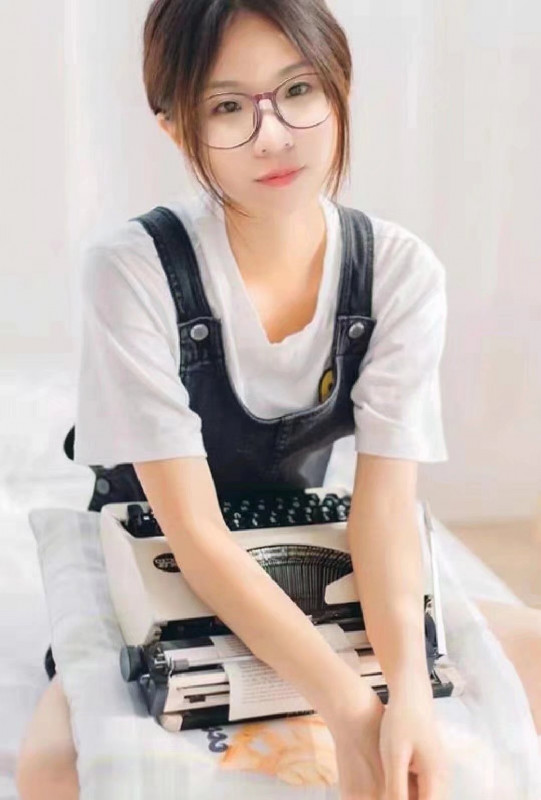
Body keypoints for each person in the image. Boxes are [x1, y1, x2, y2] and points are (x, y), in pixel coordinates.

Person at [15, 1, 541, 799]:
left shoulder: (397, 271)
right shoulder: (133, 269)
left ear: (339, 86)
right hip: (156, 556)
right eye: (227, 107)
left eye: (297, 91)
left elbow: (382, 511)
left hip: (305, 542)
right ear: (176, 128)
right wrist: (347, 706)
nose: (272, 136)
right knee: (57, 770)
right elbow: (192, 534)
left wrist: (403, 693)